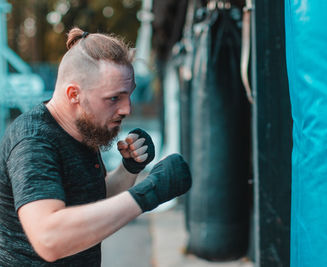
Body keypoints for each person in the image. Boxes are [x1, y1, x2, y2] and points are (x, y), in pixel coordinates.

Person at [0, 27, 192, 265]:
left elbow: (92, 200)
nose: (127, 109)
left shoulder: (81, 131)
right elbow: (49, 239)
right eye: (114, 98)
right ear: (74, 94)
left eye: (128, 95)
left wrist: (129, 169)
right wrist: (149, 192)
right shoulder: (34, 142)